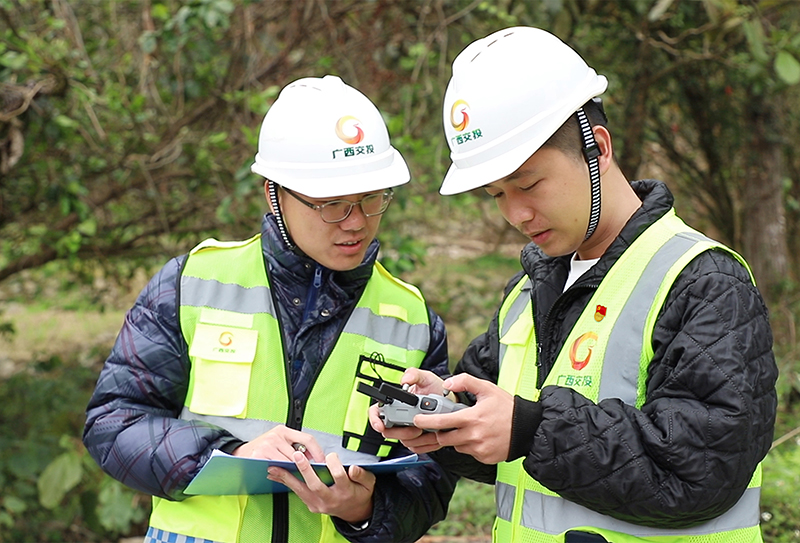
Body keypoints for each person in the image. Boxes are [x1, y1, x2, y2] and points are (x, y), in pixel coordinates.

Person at [370, 27, 779, 543]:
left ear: (598, 147)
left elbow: (699, 473)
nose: (515, 213)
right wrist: (447, 420)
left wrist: (531, 429)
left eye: (528, 183)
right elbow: (509, 444)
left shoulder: (705, 283)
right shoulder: (528, 292)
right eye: (497, 194)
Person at [83, 75, 457, 543]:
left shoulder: (413, 321)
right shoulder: (191, 284)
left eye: (372, 199)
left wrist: (365, 508)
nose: (356, 222)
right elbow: (113, 423)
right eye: (332, 204)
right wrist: (228, 456)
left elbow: (433, 478)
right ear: (274, 194)